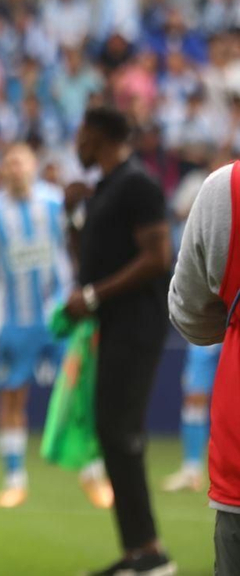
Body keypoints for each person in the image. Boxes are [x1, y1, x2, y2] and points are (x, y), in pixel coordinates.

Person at [67, 106, 177, 576]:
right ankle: (137, 552)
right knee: (112, 432)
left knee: (121, 432)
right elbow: (87, 264)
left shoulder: (137, 183)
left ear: (96, 135)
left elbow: (158, 256)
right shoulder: (106, 188)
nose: (76, 144)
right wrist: (72, 215)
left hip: (137, 325)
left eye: (81, 134)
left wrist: (95, 295)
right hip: (112, 326)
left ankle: (150, 553)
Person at [0, 143, 76, 509]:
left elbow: (76, 251)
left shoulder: (57, 204)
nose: (15, 168)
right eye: (9, 162)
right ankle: (14, 480)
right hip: (15, 320)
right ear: (2, 170)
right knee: (12, 396)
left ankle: (93, 472)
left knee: (79, 390)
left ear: (34, 166)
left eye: (21, 162)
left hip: (60, 316)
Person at [168, 159, 240, 573]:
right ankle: (190, 466)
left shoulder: (225, 188)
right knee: (194, 392)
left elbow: (189, 314)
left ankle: (192, 466)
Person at [165, 159, 224, 495]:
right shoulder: (202, 214)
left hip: (231, 321)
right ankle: (191, 469)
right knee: (195, 394)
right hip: (208, 321)